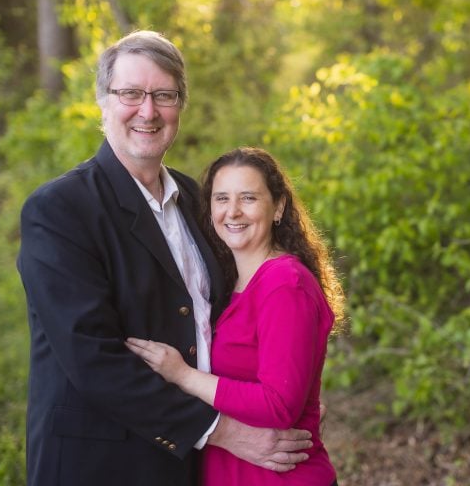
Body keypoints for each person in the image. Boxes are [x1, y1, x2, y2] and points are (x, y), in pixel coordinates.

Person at [17, 31, 312, 486]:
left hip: (188, 465)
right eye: (131, 93)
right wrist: (223, 431)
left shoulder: (196, 199)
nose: (148, 111)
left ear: (180, 106)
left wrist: (297, 398)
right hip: (101, 463)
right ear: (103, 101)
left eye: (164, 95)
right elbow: (93, 359)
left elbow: (239, 318)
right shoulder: (60, 209)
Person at [126, 147, 345, 485]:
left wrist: (182, 375)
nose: (233, 211)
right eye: (221, 198)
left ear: (279, 207)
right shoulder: (228, 282)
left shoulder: (284, 284)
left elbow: (279, 405)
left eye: (248, 198)